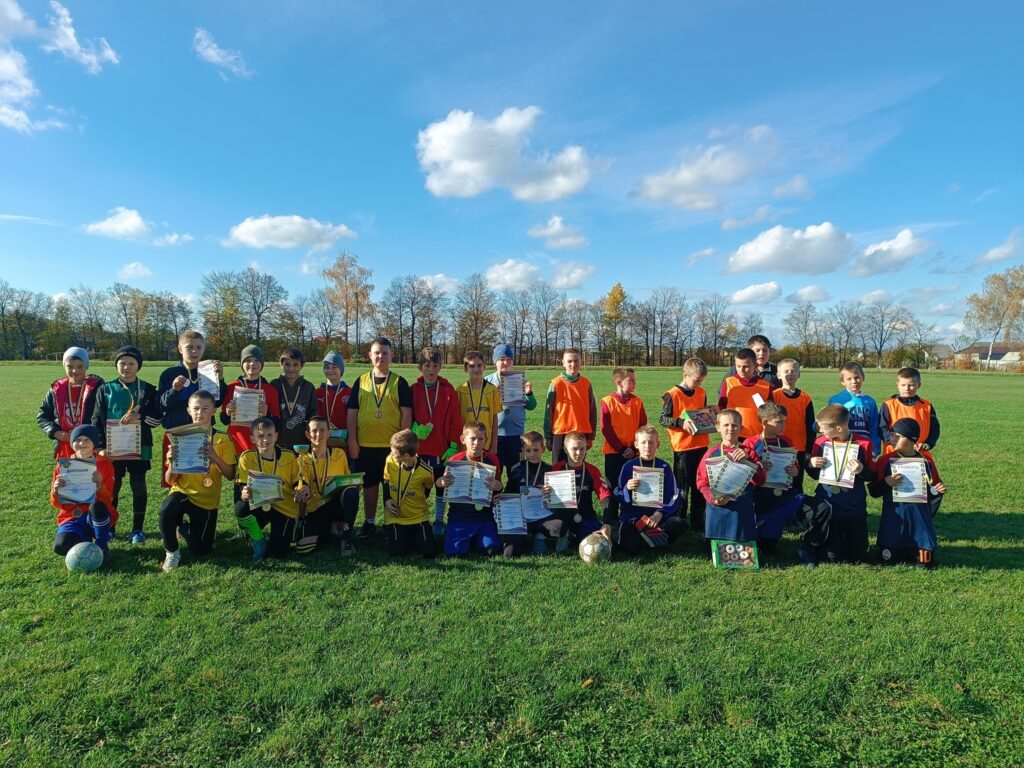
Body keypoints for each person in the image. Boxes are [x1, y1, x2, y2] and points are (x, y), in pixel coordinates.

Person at [159, 390, 236, 571]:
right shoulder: (179, 437)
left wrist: (215, 457)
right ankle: (172, 552)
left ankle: (184, 528)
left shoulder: (222, 439)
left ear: (214, 411)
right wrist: (172, 463)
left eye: (205, 408)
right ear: (188, 410)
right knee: (166, 510)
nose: (200, 412)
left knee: (201, 551)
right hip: (182, 492)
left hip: (207, 501)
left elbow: (230, 475)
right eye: (196, 408)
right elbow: (170, 480)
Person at [91, 345, 161, 544]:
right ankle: (111, 527)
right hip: (112, 447)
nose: (126, 367)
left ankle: (137, 529)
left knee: (138, 484)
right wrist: (101, 447)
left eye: (131, 363)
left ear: (138, 366)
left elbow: (157, 417)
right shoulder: (105, 389)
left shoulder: (148, 389)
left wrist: (140, 415)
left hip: (139, 445)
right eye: (122, 363)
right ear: (116, 365)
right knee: (113, 486)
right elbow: (96, 419)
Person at [347, 336, 413, 537]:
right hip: (365, 444)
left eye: (385, 353)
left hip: (391, 447)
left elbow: (406, 414)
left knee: (390, 484)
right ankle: (369, 522)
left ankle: (391, 522)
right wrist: (352, 440)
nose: (380, 357)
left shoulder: (400, 382)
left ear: (391, 355)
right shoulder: (361, 381)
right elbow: (352, 413)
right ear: (370, 355)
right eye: (377, 353)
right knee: (369, 485)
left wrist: (401, 444)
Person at [798, 404, 875, 567]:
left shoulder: (864, 443)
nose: (820, 430)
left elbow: (871, 475)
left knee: (859, 558)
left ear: (839, 428)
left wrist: (862, 470)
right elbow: (815, 476)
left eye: (823, 428)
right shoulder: (820, 442)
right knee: (832, 557)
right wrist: (811, 464)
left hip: (853, 504)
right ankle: (811, 543)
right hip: (829, 503)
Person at [870, 418, 947, 568]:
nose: (892, 438)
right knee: (889, 559)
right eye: (891, 434)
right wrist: (886, 483)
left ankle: (921, 543)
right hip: (894, 520)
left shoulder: (926, 462)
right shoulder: (884, 461)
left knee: (925, 563)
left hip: (919, 522)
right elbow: (873, 491)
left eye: (898, 436)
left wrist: (938, 490)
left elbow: (933, 488)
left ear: (912, 439)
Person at [234, 418, 308, 561]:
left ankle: (289, 530)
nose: (265, 440)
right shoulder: (247, 457)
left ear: (276, 436)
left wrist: (301, 489)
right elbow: (242, 485)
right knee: (241, 508)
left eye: (269, 435)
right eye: (260, 436)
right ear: (253, 438)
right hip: (259, 504)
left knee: (277, 554)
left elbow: (297, 482)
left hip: (283, 507)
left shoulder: (288, 456)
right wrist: (244, 493)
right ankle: (257, 539)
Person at [158, 331, 225, 487]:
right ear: (180, 348)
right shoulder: (169, 374)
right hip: (175, 433)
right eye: (189, 347)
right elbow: (161, 405)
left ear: (203, 348)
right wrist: (174, 390)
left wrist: (220, 380)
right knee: (173, 480)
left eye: (198, 347)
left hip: (202, 433)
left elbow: (218, 402)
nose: (194, 351)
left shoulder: (210, 373)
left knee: (202, 478)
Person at [409, 347, 462, 538]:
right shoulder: (414, 390)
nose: (431, 370)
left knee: (442, 486)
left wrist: (453, 445)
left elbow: (455, 419)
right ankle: (420, 519)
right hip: (420, 449)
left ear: (440, 367)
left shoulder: (448, 391)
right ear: (420, 368)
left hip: (441, 448)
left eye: (435, 366)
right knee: (420, 487)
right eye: (427, 365)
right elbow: (406, 414)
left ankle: (439, 520)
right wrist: (415, 428)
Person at [697, 409, 766, 548]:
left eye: (734, 425)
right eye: (726, 425)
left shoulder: (748, 452)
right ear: (718, 427)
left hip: (741, 506)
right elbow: (701, 482)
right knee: (716, 550)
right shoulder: (712, 454)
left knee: (743, 549)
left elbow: (761, 480)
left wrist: (749, 460)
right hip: (719, 505)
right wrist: (713, 497)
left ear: (741, 428)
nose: (730, 429)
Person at [743, 402, 803, 559]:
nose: (783, 426)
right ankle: (760, 525)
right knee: (767, 548)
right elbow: (743, 474)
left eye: (785, 421)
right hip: (760, 497)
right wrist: (758, 467)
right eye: (779, 422)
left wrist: (795, 471)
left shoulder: (786, 441)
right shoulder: (750, 443)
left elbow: (795, 464)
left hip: (783, 494)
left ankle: (809, 540)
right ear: (765, 422)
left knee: (814, 507)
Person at [220, 345, 280, 504]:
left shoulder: (270, 389)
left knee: (262, 489)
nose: (252, 364)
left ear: (262, 364)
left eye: (256, 360)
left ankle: (262, 512)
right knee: (241, 487)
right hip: (238, 443)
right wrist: (228, 412)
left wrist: (267, 414)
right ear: (242, 364)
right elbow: (224, 419)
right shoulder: (232, 387)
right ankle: (242, 512)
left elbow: (277, 421)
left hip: (262, 444)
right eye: (247, 360)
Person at [49, 424, 117, 561]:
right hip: (71, 516)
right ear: (72, 443)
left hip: (95, 516)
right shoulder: (63, 466)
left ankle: (102, 546)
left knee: (97, 507)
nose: (82, 443)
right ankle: (84, 538)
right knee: (60, 547)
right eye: (78, 440)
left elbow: (108, 500)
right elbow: (56, 504)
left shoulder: (105, 465)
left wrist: (100, 486)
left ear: (94, 443)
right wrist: (56, 491)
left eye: (87, 440)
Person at [437, 421, 504, 557]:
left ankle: (477, 537)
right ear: (463, 439)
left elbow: (497, 488)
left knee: (492, 550)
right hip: (459, 515)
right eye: (472, 438)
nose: (476, 443)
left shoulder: (492, 460)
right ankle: (468, 538)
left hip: (484, 515)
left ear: (486, 440)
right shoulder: (454, 461)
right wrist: (440, 482)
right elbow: (442, 486)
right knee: (454, 554)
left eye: (480, 439)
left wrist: (499, 486)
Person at [616, 425, 685, 554]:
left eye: (651, 442)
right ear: (636, 444)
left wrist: (660, 513)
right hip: (634, 517)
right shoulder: (628, 466)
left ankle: (650, 535)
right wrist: (627, 488)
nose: (647, 446)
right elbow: (617, 492)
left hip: (656, 517)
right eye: (643, 442)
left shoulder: (664, 467)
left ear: (658, 444)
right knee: (629, 548)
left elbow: (674, 495)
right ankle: (651, 539)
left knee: (678, 523)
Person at [660, 357, 711, 531]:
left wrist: (709, 414)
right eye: (696, 380)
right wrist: (681, 422)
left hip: (701, 444)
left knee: (701, 484)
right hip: (683, 448)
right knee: (683, 486)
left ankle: (698, 520)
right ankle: (679, 520)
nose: (698, 384)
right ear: (685, 375)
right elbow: (663, 419)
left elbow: (700, 413)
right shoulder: (672, 394)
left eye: (701, 381)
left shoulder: (701, 392)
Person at [297, 416, 360, 556]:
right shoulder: (303, 459)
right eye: (314, 431)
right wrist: (305, 489)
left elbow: (347, 480)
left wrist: (356, 484)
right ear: (307, 434)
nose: (318, 434)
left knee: (351, 492)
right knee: (304, 547)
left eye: (322, 430)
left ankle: (346, 538)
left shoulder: (339, 454)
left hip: (336, 504)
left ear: (329, 432)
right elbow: (303, 484)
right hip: (316, 509)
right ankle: (330, 529)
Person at [600, 367, 648, 525]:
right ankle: (612, 517)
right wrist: (621, 448)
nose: (635, 383)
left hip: (634, 453)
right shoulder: (607, 401)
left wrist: (634, 448)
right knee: (613, 485)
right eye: (631, 380)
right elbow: (606, 429)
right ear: (620, 383)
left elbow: (643, 427)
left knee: (634, 484)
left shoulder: (638, 402)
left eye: (635, 380)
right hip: (614, 452)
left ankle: (631, 515)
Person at [38, 346, 104, 460]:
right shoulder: (56, 389)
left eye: (80, 366)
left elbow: (105, 415)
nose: (74, 371)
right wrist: (54, 432)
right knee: (67, 472)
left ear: (86, 366)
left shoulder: (97, 388)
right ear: (64, 366)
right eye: (70, 366)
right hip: (65, 445)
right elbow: (43, 416)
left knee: (92, 472)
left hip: (90, 445)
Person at [548, 431, 612, 546]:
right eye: (574, 449)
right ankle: (562, 533)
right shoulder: (555, 469)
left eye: (582, 449)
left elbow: (605, 498)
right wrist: (545, 493)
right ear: (565, 449)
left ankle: (574, 534)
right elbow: (546, 497)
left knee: (595, 541)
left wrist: (607, 523)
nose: (579, 453)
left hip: (585, 516)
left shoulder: (592, 470)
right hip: (562, 516)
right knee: (556, 527)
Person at [504, 430, 563, 555]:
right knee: (509, 554)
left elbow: (557, 499)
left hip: (542, 516)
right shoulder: (517, 469)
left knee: (560, 526)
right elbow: (508, 492)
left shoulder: (549, 470)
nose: (532, 454)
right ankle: (521, 535)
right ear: (523, 450)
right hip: (521, 517)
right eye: (528, 450)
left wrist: (549, 494)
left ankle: (540, 536)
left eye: (536, 450)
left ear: (543, 449)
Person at [382, 429, 437, 559]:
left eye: (394, 452)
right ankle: (396, 533)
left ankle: (414, 535)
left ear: (406, 456)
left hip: (418, 517)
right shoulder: (390, 460)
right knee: (396, 553)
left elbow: (427, 489)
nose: (391, 454)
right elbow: (386, 480)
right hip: (396, 517)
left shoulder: (426, 471)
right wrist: (387, 500)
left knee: (429, 552)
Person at [485, 344, 537, 479]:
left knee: (516, 474)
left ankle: (514, 493)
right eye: (502, 359)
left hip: (516, 435)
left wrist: (529, 393)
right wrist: (492, 394)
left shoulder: (519, 380)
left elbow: (531, 406)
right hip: (495, 436)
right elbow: (483, 407)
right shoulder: (488, 381)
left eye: (509, 359)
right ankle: (495, 493)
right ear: (495, 362)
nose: (506, 362)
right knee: (494, 473)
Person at [543, 348, 597, 464]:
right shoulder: (556, 383)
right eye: (569, 361)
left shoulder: (586, 384)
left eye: (576, 361)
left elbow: (592, 410)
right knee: (558, 468)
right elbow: (549, 411)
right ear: (563, 363)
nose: (573, 364)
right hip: (560, 432)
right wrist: (548, 436)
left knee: (577, 465)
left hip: (581, 432)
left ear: (581, 362)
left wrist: (591, 436)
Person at [770, 358, 815, 491]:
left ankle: (797, 503)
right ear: (778, 375)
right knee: (776, 482)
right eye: (786, 371)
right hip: (778, 446)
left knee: (796, 482)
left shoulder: (805, 398)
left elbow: (810, 426)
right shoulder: (774, 396)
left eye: (794, 371)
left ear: (799, 374)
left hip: (798, 448)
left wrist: (809, 450)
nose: (790, 373)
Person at [880, 367, 940, 458]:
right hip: (893, 455)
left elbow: (935, 429)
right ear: (897, 384)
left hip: (920, 454)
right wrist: (895, 442)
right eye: (903, 385)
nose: (907, 388)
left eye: (911, 385)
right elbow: (881, 428)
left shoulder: (926, 406)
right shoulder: (889, 405)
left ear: (918, 385)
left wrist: (928, 443)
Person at [828, 361, 881, 456]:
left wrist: (875, 449)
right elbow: (830, 425)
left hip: (864, 445)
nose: (854, 381)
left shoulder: (870, 401)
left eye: (857, 377)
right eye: (849, 379)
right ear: (842, 381)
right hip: (842, 445)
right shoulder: (836, 399)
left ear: (862, 377)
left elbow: (874, 427)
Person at [718, 348, 772, 440]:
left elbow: (770, 413)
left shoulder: (765, 386)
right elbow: (722, 407)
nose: (741, 370)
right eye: (738, 366)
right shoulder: (729, 382)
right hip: (733, 434)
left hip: (757, 435)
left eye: (746, 366)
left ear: (755, 365)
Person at [457, 351, 501, 456]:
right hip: (467, 445)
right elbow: (456, 420)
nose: (476, 369)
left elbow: (495, 418)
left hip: (486, 444)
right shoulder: (460, 391)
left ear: (484, 366)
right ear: (465, 368)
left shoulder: (492, 390)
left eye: (479, 365)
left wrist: (494, 444)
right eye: (472, 366)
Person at [272, 348, 318, 451]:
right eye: (287, 364)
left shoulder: (308, 387)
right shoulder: (274, 385)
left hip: (302, 440)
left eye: (296, 365)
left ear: (302, 365)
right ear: (281, 364)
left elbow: (312, 414)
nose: (291, 368)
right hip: (278, 439)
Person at [316, 351, 351, 452]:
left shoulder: (350, 392)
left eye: (334, 367)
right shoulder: (317, 392)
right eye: (327, 367)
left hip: (344, 442)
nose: (330, 370)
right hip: (322, 442)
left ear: (341, 369)